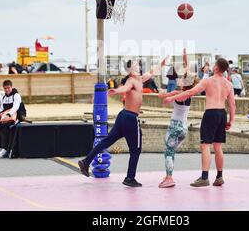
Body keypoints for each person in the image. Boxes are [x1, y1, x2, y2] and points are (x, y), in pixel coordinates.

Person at [78, 57, 167, 187]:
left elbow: (151, 72)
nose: (139, 67)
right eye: (136, 65)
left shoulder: (139, 80)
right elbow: (125, 88)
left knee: (106, 141)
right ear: (130, 70)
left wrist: (161, 64)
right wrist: (115, 90)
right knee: (135, 150)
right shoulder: (132, 81)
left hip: (123, 116)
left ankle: (86, 162)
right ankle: (130, 178)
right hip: (130, 119)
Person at [163, 58, 235, 187]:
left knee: (205, 145)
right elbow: (232, 104)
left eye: (214, 65)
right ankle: (219, 176)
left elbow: (190, 92)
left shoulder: (208, 81)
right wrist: (231, 120)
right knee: (218, 147)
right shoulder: (228, 84)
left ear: (217, 68)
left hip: (211, 113)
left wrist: (172, 97)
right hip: (222, 113)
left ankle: (204, 177)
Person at [157, 49, 197, 188]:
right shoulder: (190, 93)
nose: (179, 78)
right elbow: (188, 74)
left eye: (181, 78)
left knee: (168, 152)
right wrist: (185, 59)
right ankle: (169, 174)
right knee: (171, 151)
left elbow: (163, 97)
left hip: (175, 126)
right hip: (184, 129)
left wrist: (166, 95)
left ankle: (169, 178)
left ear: (183, 82)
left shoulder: (178, 92)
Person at [0, 80, 27, 158]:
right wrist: (0, 115)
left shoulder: (16, 95)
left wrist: (9, 114)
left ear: (11, 87)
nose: (7, 90)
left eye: (8, 88)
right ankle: (0, 147)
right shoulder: (4, 97)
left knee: (5, 127)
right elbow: (2, 109)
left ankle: (5, 149)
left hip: (17, 116)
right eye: (5, 88)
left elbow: (16, 107)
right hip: (7, 117)